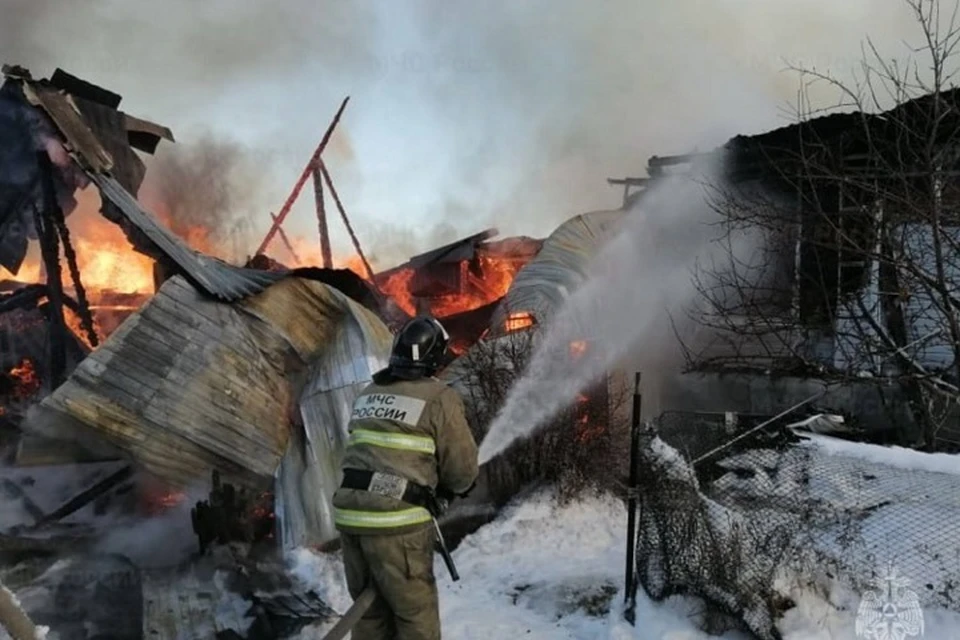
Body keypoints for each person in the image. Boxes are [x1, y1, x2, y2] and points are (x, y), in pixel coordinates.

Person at [333, 315, 479, 640]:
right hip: (395, 527)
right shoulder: (438, 398)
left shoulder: (369, 393)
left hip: (351, 519)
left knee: (369, 618)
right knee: (415, 618)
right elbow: (462, 470)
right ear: (435, 357)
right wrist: (456, 487)